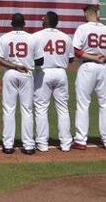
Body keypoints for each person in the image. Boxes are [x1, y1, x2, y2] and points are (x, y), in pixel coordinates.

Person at [0, 13, 43, 155]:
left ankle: (8, 145)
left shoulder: (5, 37)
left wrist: (14, 65)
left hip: (10, 73)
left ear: (11, 24)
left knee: (9, 109)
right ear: (24, 23)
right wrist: (27, 62)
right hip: (27, 74)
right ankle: (28, 145)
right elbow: (40, 61)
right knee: (27, 110)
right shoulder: (32, 38)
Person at [72, 4, 106, 150]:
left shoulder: (82, 28)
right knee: (105, 104)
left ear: (86, 15)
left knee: (83, 104)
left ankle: (81, 140)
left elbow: (77, 51)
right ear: (97, 14)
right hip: (104, 68)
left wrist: (92, 56)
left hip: (87, 67)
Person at [32, 11, 74, 152]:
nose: (42, 20)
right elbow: (71, 58)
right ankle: (66, 143)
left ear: (47, 21)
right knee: (62, 109)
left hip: (43, 72)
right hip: (61, 72)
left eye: (44, 19)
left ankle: (42, 144)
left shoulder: (36, 36)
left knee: (41, 108)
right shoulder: (66, 37)